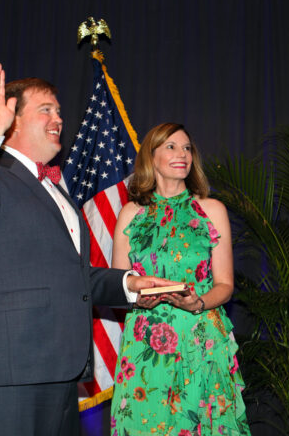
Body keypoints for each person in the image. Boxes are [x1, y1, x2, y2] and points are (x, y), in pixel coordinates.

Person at [0, 63, 173, 435]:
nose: (58, 117)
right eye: (46, 109)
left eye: (59, 110)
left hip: (60, 377)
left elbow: (72, 278)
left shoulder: (59, 192)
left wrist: (128, 285)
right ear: (11, 119)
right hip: (3, 375)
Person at [109, 123, 250, 435]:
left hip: (200, 338)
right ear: (151, 156)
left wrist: (199, 303)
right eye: (171, 146)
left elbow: (225, 284)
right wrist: (136, 299)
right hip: (144, 341)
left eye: (187, 148)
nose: (182, 154)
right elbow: (117, 285)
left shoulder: (211, 210)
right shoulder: (130, 214)